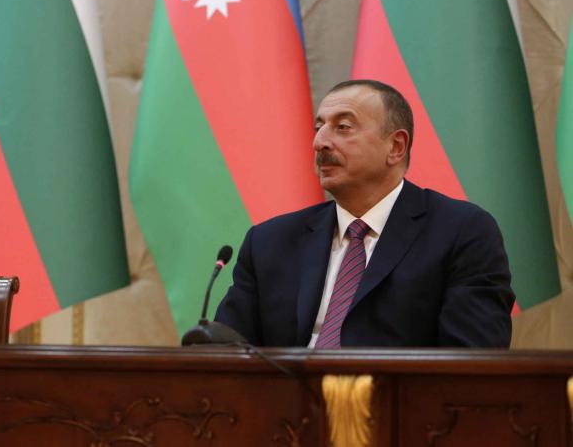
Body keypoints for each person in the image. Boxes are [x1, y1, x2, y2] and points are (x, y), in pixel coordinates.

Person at [215, 79, 514, 347]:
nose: (319, 143)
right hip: (287, 393)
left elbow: (471, 360)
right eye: (319, 128)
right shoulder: (269, 241)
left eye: (343, 127)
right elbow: (224, 352)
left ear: (396, 147)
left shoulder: (461, 232)